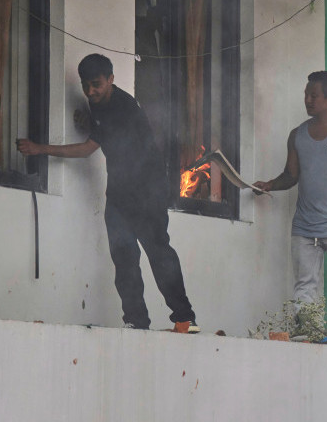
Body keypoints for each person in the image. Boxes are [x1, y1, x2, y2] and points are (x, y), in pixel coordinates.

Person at [16, 53, 198, 332]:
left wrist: (41, 148)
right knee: (124, 256)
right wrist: (89, 121)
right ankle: (136, 321)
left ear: (111, 79)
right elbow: (100, 130)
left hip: (148, 189)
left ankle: (185, 319)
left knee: (158, 252)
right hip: (120, 191)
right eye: (85, 85)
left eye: (96, 84)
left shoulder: (123, 108)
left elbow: (88, 148)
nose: (90, 91)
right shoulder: (97, 103)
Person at [254, 70, 327, 329]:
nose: (307, 100)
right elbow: (291, 175)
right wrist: (270, 185)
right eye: (306, 95)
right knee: (305, 283)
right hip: (305, 225)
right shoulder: (297, 135)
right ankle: (308, 330)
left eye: (313, 95)